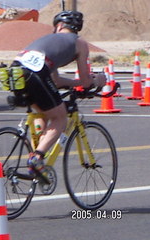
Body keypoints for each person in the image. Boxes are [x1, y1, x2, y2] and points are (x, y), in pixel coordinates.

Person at [12, 10, 106, 183]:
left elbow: (55, 82)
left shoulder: (49, 41)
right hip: (37, 73)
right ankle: (37, 159)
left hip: (15, 71)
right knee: (60, 118)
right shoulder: (79, 43)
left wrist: (74, 82)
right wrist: (98, 80)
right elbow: (86, 81)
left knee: (43, 112)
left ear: (59, 26)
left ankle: (37, 152)